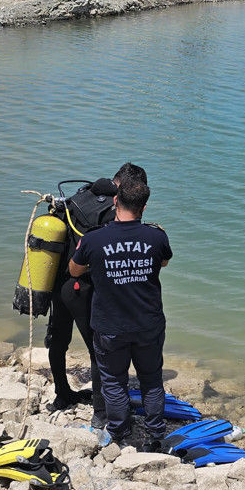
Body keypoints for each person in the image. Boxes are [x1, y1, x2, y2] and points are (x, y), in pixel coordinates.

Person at [68, 177, 172, 451]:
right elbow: (164, 261)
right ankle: (155, 434)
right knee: (151, 380)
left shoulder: (94, 239)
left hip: (110, 324)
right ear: (144, 207)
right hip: (148, 323)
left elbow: (74, 270)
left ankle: (119, 430)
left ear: (115, 201)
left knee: (114, 381)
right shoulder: (157, 236)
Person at [44, 163, 149, 423]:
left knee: (58, 341)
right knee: (98, 349)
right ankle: (101, 414)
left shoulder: (81, 194)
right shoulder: (112, 211)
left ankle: (62, 394)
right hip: (83, 288)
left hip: (59, 281)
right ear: (124, 189)